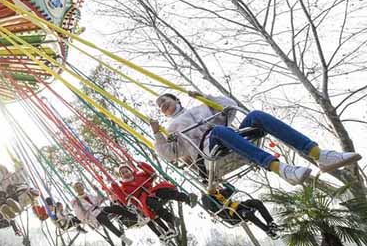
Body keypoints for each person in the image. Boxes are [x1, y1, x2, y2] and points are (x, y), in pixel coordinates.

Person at [151, 92, 361, 185]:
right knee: (220, 132)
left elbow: (229, 109)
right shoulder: (173, 128)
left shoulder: (201, 107)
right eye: (162, 107)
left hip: (231, 136)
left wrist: (207, 99)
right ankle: (280, 169)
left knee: (256, 116)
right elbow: (169, 154)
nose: (164, 106)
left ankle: (319, 154)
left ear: (175, 99)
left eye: (166, 101)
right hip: (210, 150)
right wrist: (158, 134)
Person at [111, 162, 197, 232]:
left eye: (126, 171)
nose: (126, 174)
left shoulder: (139, 175)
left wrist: (142, 165)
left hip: (153, 191)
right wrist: (115, 187)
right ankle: (171, 219)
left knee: (166, 191)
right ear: (121, 176)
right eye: (122, 173)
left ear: (130, 170)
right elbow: (124, 199)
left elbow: (152, 173)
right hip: (144, 199)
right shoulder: (124, 187)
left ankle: (187, 199)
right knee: (154, 205)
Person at [201, 184, 280, 237]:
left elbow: (231, 189)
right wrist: (205, 195)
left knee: (256, 202)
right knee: (248, 214)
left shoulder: (221, 192)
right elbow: (209, 206)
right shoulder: (207, 199)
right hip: (232, 214)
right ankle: (267, 230)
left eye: (214, 187)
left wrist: (223, 182)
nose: (214, 188)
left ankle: (270, 222)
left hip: (238, 206)